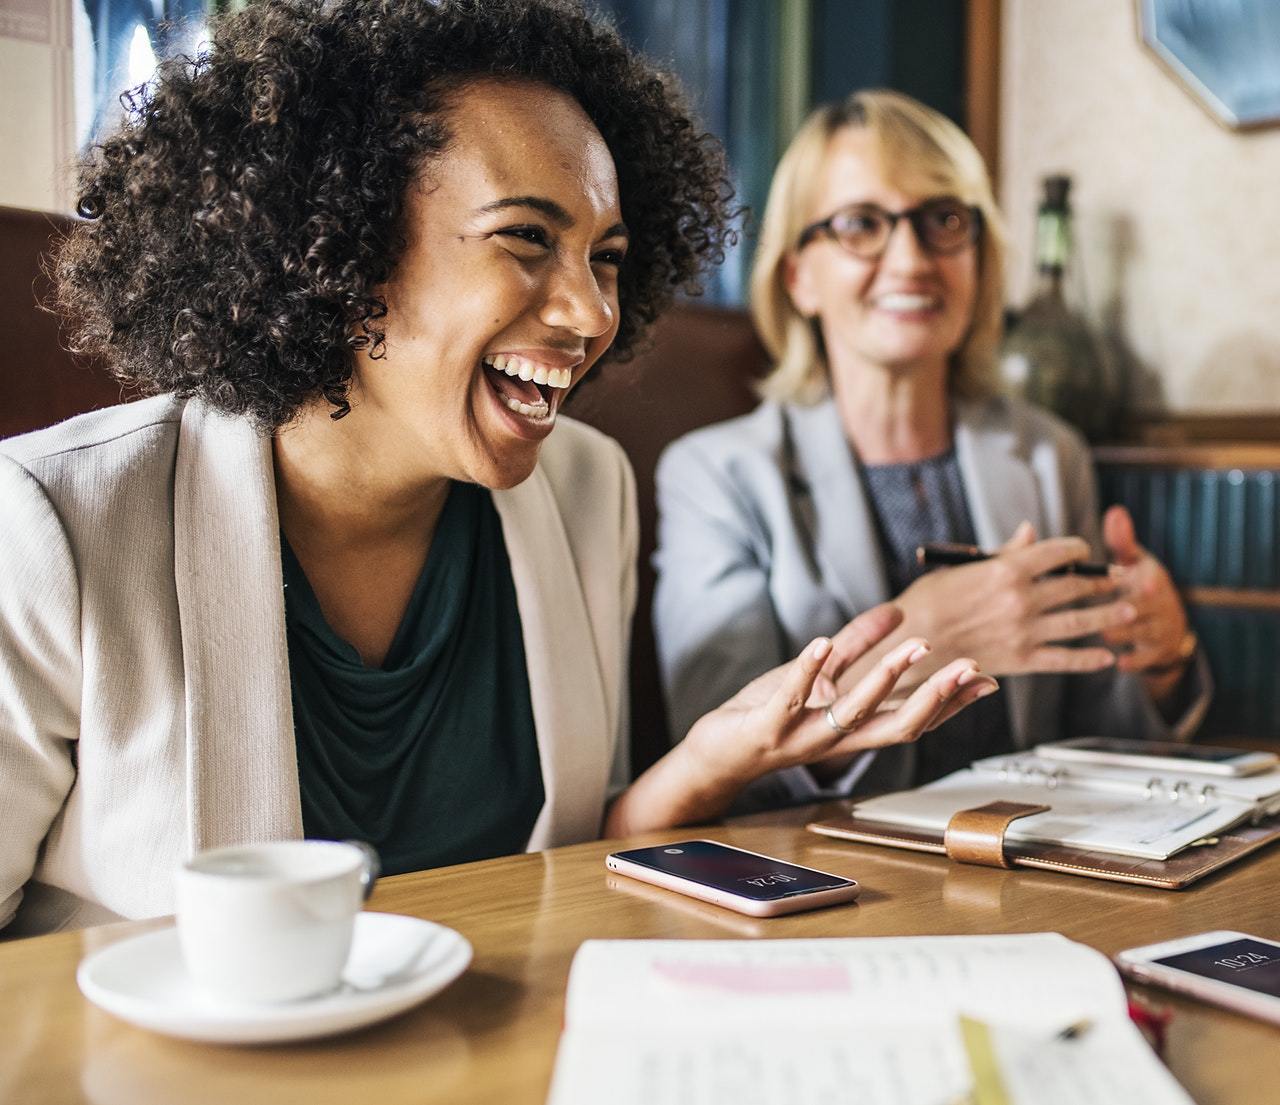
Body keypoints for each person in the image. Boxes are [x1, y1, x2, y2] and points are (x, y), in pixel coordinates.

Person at [0, 4, 995, 937]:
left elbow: (556, 865)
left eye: (605, 257)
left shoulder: (585, 491)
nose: (589, 313)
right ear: (337, 250)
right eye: (525, 238)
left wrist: (702, 763)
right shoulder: (54, 524)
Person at [653, 89, 1209, 812]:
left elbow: (1097, 738)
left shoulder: (1049, 455)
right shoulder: (715, 475)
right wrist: (924, 638)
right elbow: (721, 759)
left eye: (943, 220)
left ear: (978, 258)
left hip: (1028, 868)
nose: (912, 258)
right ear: (800, 276)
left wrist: (1163, 660)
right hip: (825, 886)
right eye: (860, 224)